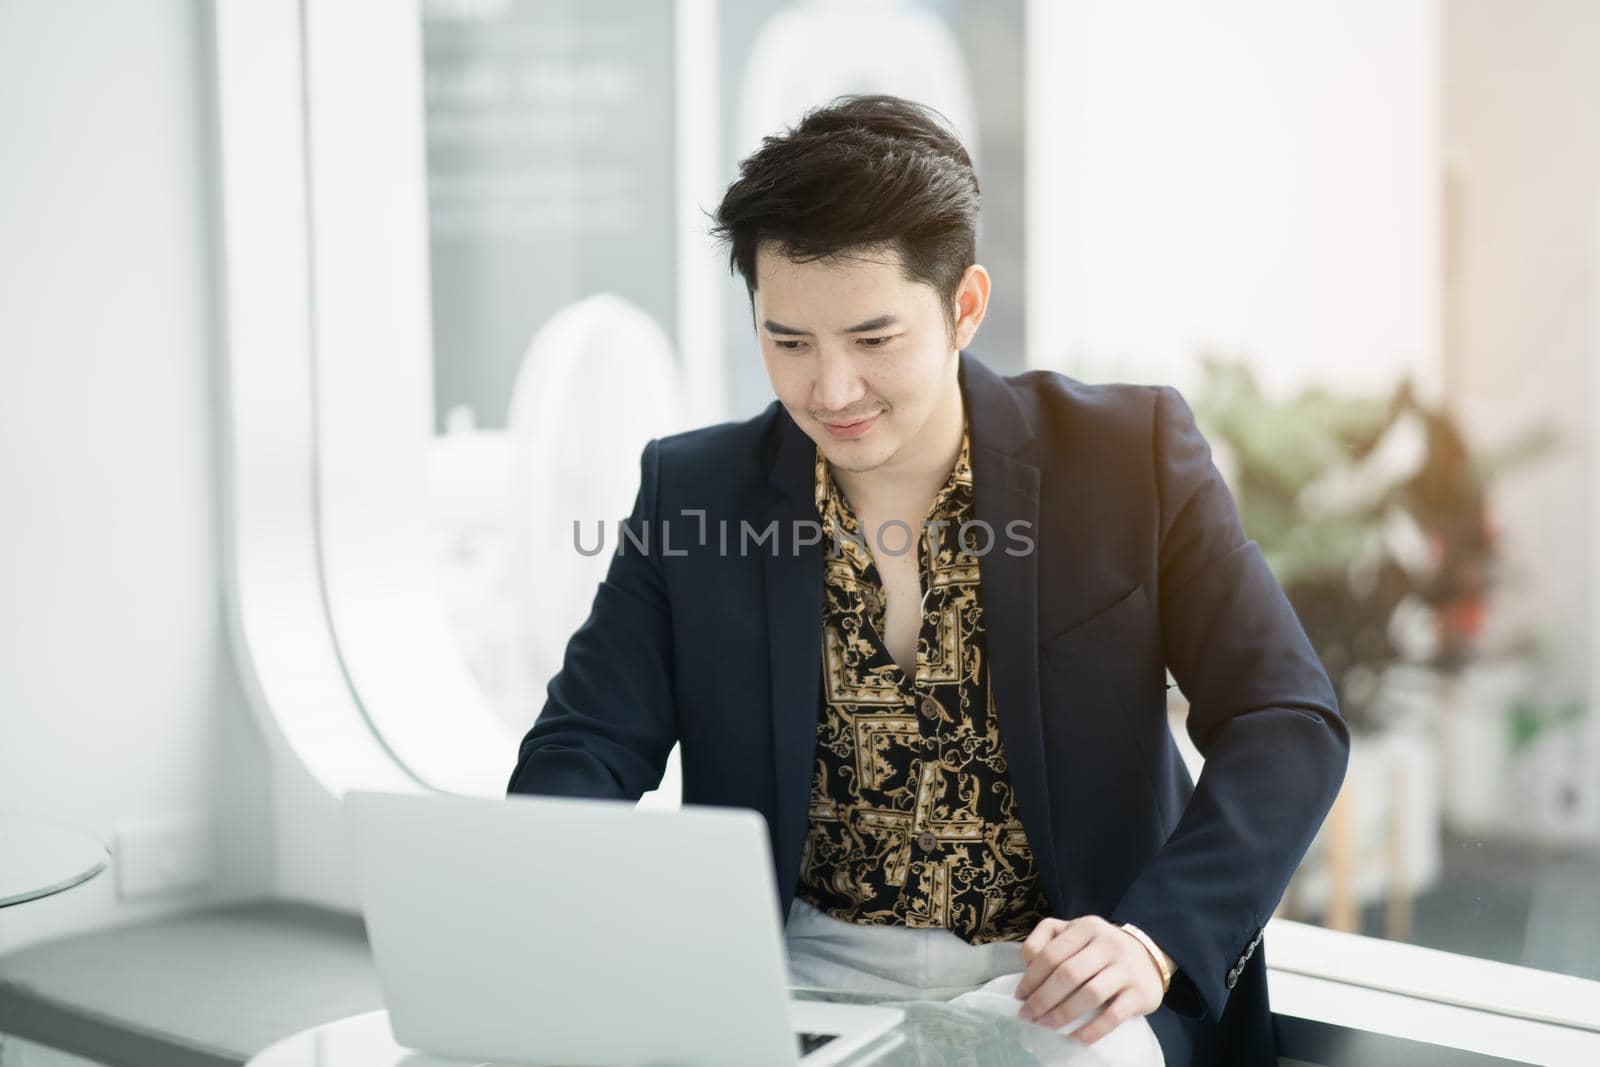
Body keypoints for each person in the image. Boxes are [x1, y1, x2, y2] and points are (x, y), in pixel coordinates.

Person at [507, 94, 1350, 1067]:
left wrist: (1148, 939)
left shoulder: (1128, 457)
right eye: (788, 341)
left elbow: (1284, 716)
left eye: (872, 340)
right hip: (789, 975)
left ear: (964, 306)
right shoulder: (692, 490)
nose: (829, 389)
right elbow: (587, 742)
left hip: (1060, 977)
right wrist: (563, 914)